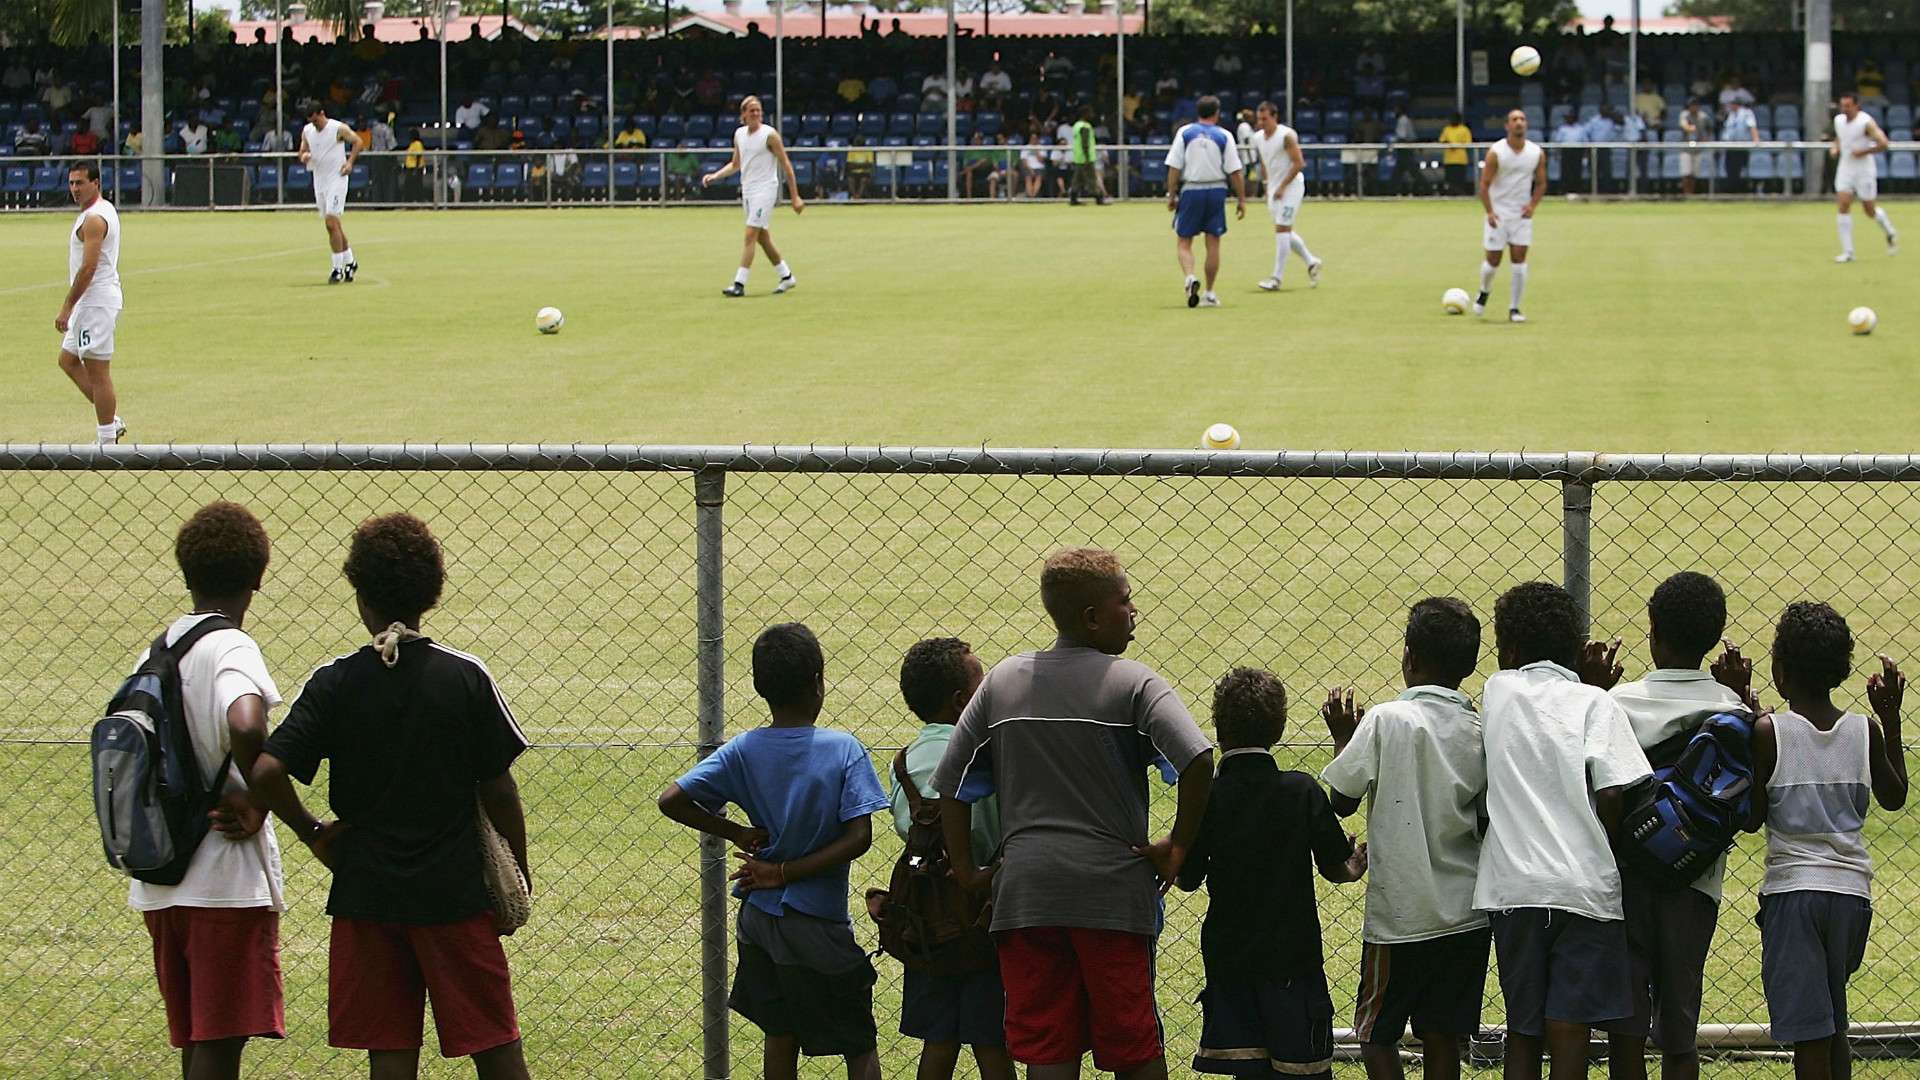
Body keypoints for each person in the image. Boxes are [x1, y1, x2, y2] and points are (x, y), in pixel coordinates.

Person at [249, 513, 533, 1080]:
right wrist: (518, 870)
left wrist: (313, 831)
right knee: (496, 1047)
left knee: (390, 1055)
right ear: (432, 593)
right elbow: (499, 788)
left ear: (360, 594)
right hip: (454, 894)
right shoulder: (464, 676)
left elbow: (266, 770)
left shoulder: (334, 681)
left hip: (367, 897)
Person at [931, 547, 1215, 1080]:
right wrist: (1178, 845)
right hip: (1112, 899)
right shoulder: (1135, 683)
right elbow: (1198, 759)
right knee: (1133, 1047)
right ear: (1092, 617)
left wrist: (967, 871)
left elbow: (951, 784)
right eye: (1125, 602)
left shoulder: (1003, 681)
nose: (1134, 611)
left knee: (1049, 1051)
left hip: (1028, 898)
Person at [657, 623, 890, 1080]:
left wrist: (737, 833)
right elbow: (858, 839)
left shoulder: (743, 749)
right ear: (819, 682)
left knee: (779, 1031)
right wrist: (785, 872)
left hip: (759, 919)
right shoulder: (843, 749)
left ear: (759, 686)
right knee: (857, 1040)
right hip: (817, 921)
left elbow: (671, 800)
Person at [128, 502, 286, 1080]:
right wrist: (264, 799)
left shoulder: (156, 650)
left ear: (187, 573)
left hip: (162, 876)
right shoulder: (232, 647)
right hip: (222, 880)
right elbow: (245, 722)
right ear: (257, 577)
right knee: (221, 1042)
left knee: (197, 1039)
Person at [1478, 582, 1651, 1080]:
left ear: (1510, 650)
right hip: (1584, 887)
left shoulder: (1497, 690)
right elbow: (1614, 792)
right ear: (1575, 647)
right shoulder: (1597, 703)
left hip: (1515, 887)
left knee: (1523, 1032)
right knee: (1570, 1030)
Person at [1321, 598, 1489, 1080]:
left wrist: (1344, 739)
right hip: (1466, 913)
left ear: (1410, 657)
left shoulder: (1385, 719)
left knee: (1376, 1033)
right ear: (1469, 665)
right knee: (1442, 1035)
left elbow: (1342, 800)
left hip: (1400, 917)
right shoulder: (1479, 728)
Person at [1595, 572, 1749, 1080]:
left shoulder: (1617, 704)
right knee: (1681, 1035)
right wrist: (1743, 697)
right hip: (1696, 883)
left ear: (1653, 629)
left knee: (1625, 1034)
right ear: (1715, 636)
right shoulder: (1732, 709)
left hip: (1626, 880)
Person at [1747, 602, 1908, 1080]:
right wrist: (1890, 718)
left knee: (1810, 1035)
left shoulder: (1770, 732)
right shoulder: (1863, 730)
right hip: (1851, 897)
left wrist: (1744, 719)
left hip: (1794, 893)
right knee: (1833, 1019)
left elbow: (1752, 818)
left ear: (1780, 671)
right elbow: (1895, 796)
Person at [1181, 668, 1365, 1079]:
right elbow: (1336, 866)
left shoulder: (1209, 796)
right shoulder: (1301, 791)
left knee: (1246, 1068)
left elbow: (1188, 877)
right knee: (1304, 1069)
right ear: (1279, 728)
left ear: (1218, 727)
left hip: (1231, 961)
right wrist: (1353, 864)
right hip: (1293, 962)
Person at [876, 638, 1014, 1080]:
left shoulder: (905, 761)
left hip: (926, 916)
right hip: (984, 912)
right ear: (961, 702)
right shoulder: (986, 756)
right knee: (992, 1041)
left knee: (939, 1041)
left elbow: (906, 826)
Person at [703, 95, 804, 298]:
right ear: (744, 114)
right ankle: (786, 276)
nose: (756, 113)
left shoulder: (770, 135)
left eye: (758, 110)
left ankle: (739, 283)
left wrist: (795, 197)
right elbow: (736, 164)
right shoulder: (739, 134)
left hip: (765, 190)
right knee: (762, 238)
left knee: (750, 235)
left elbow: (786, 165)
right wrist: (715, 176)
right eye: (751, 110)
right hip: (748, 191)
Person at [54, 162, 125, 445]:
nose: (75, 189)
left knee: (98, 372)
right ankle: (112, 419)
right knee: (68, 360)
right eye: (72, 183)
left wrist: (67, 307)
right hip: (91, 303)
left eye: (80, 183)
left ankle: (107, 439)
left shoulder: (95, 219)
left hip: (95, 303)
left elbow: (88, 268)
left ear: (96, 183)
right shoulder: (99, 211)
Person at [1165, 95, 1248, 309]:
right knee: (1213, 242)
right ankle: (1210, 293)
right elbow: (1235, 171)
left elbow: (1174, 167)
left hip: (1192, 189)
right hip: (1217, 190)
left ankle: (1190, 277)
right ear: (1217, 113)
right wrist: (1241, 199)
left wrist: (1171, 194)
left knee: (1184, 241)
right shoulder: (1224, 135)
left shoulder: (1185, 133)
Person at [1473, 109, 1546, 323]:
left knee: (1519, 260)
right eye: (1514, 120)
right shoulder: (1496, 152)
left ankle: (1514, 308)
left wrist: (1532, 206)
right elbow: (1484, 184)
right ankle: (1484, 291)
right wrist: (1489, 211)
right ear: (1507, 126)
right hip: (1499, 214)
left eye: (1522, 119)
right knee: (1492, 261)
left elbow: (1541, 183)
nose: (1519, 123)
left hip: (1521, 215)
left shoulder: (1535, 153)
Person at [1248, 100, 1321, 293]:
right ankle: (1311, 261)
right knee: (1284, 230)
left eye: (1265, 119)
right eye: (1259, 119)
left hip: (1292, 187)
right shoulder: (1257, 138)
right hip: (1274, 189)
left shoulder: (1286, 136)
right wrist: (1268, 186)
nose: (1261, 123)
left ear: (1275, 117)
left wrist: (1282, 186)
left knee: (1282, 229)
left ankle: (1276, 278)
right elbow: (1265, 163)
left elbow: (1299, 163)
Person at [297, 99, 364, 284]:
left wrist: (349, 162)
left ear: (322, 113)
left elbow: (358, 142)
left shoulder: (337, 128)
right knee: (335, 225)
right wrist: (304, 156)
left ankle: (337, 269)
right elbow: (302, 151)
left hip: (337, 179)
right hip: (320, 181)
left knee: (330, 223)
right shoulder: (307, 131)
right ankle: (350, 261)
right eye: (311, 122)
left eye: (316, 121)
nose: (314, 125)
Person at [1831, 92, 1898, 262]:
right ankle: (1848, 252)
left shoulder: (1865, 122)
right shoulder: (1838, 120)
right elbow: (1840, 137)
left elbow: (1884, 143)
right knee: (1843, 204)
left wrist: (1864, 152)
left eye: (1848, 106)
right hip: (1845, 168)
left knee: (1869, 210)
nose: (1844, 109)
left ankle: (1889, 231)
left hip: (1864, 170)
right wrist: (1835, 147)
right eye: (1842, 106)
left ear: (1856, 106)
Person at [1719, 96, 1760, 192]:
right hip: (1730, 146)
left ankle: (1742, 190)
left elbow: (1752, 126)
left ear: (1737, 104)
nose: (1730, 106)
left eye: (1732, 104)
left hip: (1742, 146)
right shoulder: (1730, 114)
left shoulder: (1747, 113)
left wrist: (1756, 139)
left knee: (1740, 169)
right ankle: (1731, 190)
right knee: (1729, 169)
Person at [1678, 99, 1713, 197]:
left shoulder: (1703, 116)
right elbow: (1684, 125)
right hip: (1686, 149)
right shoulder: (1685, 115)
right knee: (1686, 173)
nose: (1694, 108)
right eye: (1692, 106)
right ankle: (1686, 194)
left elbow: (1710, 127)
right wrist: (1689, 128)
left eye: (1696, 105)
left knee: (1694, 174)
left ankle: (1691, 195)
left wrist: (1706, 138)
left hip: (1697, 149)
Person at [1069, 106, 1103, 207]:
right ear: (1085, 114)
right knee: (1091, 179)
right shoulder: (1085, 126)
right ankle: (1098, 198)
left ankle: (1073, 198)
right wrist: (1087, 157)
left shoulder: (1076, 125)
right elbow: (1085, 143)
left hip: (1078, 157)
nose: (1092, 115)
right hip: (1085, 157)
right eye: (1090, 113)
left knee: (1077, 179)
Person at [1438, 113, 1473, 195]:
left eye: (1454, 119)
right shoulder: (1447, 129)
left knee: (1459, 180)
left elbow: (1468, 143)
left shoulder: (1464, 129)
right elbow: (1442, 140)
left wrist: (1456, 145)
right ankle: (1450, 194)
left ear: (1459, 120)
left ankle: (1460, 194)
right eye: (1451, 119)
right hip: (1448, 160)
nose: (1452, 120)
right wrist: (1447, 143)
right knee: (1449, 180)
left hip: (1461, 160)